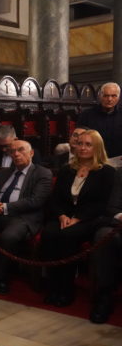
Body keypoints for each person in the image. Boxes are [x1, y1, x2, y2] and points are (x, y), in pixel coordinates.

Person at [0, 140, 52, 294]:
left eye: (21, 150)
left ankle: (2, 278)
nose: (16, 154)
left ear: (31, 153)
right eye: (12, 151)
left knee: (9, 236)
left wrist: (4, 207)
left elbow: (36, 201)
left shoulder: (42, 173)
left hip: (23, 217)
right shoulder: (3, 173)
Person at [42, 130, 115, 308]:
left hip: (90, 219)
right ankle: (53, 287)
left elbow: (102, 203)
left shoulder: (107, 172)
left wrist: (78, 218)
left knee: (67, 236)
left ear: (97, 147)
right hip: (64, 217)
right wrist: (62, 215)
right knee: (49, 233)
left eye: (88, 144)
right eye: (80, 143)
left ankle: (66, 290)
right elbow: (55, 199)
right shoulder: (67, 170)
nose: (83, 148)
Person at [89, 167, 122, 324]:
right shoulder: (121, 172)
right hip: (120, 225)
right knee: (104, 236)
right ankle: (105, 294)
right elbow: (112, 208)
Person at [77, 82, 122, 158]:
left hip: (118, 158)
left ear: (119, 97)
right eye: (106, 96)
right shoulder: (86, 115)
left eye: (113, 96)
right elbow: (79, 139)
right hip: (93, 158)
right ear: (100, 96)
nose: (109, 99)